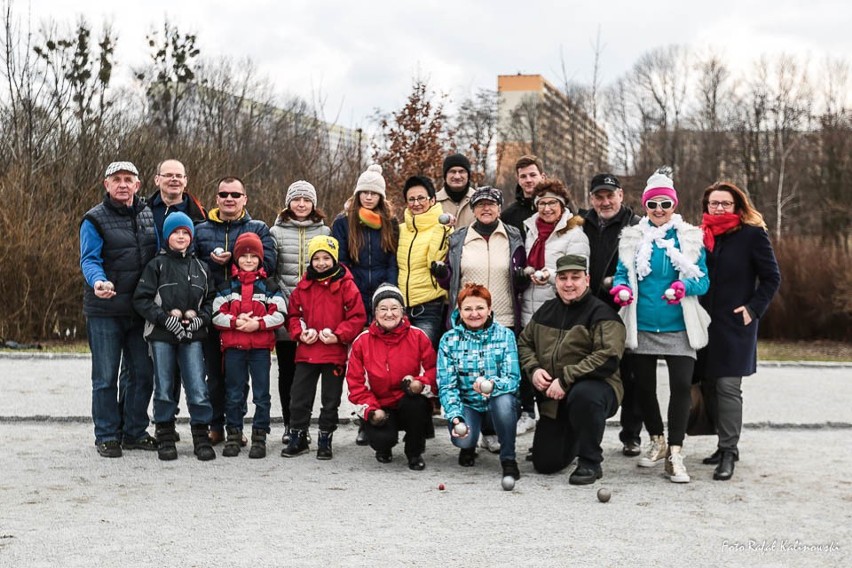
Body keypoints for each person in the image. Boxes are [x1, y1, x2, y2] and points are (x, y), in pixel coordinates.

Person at [611, 168, 710, 484]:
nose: (658, 211)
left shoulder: (690, 237)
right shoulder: (631, 237)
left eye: (665, 204)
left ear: (674, 206)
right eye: (652, 205)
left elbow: (703, 280)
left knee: (682, 387)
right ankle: (657, 439)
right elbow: (623, 272)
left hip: (678, 324)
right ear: (645, 206)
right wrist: (622, 289)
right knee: (643, 388)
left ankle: (676, 453)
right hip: (642, 325)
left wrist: (685, 289)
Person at [517, 254, 625, 485]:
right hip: (553, 399)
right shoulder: (546, 310)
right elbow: (524, 343)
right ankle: (576, 435)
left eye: (575, 277)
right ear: (555, 281)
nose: (569, 284)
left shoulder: (602, 313)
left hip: (596, 389)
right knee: (545, 464)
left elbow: (608, 356)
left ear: (586, 279)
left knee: (585, 395)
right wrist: (534, 369)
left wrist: (566, 379)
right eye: (563, 278)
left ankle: (590, 461)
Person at [698, 181, 781, 481]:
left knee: (728, 387)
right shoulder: (699, 235)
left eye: (726, 203)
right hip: (703, 323)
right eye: (714, 203)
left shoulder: (752, 235)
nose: (719, 207)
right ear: (706, 206)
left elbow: (772, 278)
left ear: (737, 207)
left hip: (736, 324)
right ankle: (723, 445)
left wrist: (752, 309)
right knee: (709, 385)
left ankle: (729, 451)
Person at [436, 185, 529, 451]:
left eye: (491, 204)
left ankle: (492, 430)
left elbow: (519, 276)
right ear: (473, 209)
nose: (485, 208)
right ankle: (470, 427)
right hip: (468, 314)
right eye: (480, 204)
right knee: (470, 372)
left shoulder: (514, 236)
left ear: (500, 208)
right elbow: (450, 277)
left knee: (496, 373)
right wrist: (442, 275)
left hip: (505, 315)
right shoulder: (459, 237)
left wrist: (522, 279)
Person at [79, 161, 158, 457]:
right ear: (106, 184)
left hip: (139, 311)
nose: (123, 184)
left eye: (128, 179)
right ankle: (107, 435)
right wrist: (98, 281)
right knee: (105, 377)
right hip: (105, 311)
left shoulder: (148, 214)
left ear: (137, 185)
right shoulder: (93, 219)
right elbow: (89, 259)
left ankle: (134, 431)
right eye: (116, 179)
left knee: (142, 373)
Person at [194, 176, 276, 444]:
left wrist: (239, 264)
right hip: (211, 309)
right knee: (215, 376)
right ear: (216, 198)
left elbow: (270, 262)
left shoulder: (259, 227)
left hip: (249, 311)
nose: (229, 198)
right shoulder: (200, 228)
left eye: (235, 194)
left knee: (242, 378)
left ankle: (237, 428)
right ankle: (217, 426)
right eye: (224, 194)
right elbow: (189, 265)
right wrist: (212, 261)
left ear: (245, 199)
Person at [132, 212, 216, 461]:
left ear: (191, 237)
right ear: (167, 236)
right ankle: (165, 434)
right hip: (161, 335)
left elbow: (212, 301)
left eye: (185, 233)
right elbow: (141, 299)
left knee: (197, 386)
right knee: (164, 386)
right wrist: (164, 318)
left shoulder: (201, 267)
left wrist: (201, 318)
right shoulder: (156, 265)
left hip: (192, 335)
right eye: (176, 233)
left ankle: (201, 435)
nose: (181, 237)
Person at [282, 236, 367, 460]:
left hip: (333, 352)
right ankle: (298, 436)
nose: (321, 263)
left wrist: (339, 335)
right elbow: (293, 315)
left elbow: (357, 317)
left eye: (326, 258)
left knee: (331, 399)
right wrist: (300, 332)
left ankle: (325, 437)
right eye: (316, 258)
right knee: (299, 397)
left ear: (334, 258)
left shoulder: (346, 285)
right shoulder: (303, 286)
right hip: (307, 351)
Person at [579, 173, 643, 457]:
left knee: (630, 374)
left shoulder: (637, 226)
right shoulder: (581, 225)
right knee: (586, 371)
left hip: (623, 309)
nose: (605, 202)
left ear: (621, 195)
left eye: (610, 195)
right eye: (599, 196)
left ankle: (631, 435)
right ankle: (583, 434)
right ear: (591, 198)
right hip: (587, 309)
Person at [346, 284, 437, 470]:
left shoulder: (419, 336)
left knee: (417, 404)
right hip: (380, 404)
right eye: (383, 309)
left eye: (394, 308)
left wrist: (420, 383)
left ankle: (414, 452)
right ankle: (383, 447)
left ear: (402, 311)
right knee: (382, 438)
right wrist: (371, 410)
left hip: (408, 399)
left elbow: (433, 370)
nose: (389, 314)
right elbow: (356, 384)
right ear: (375, 312)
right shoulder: (361, 342)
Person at [212, 232, 286, 459]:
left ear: (260, 259)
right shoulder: (227, 287)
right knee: (234, 393)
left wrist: (258, 323)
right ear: (236, 259)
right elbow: (216, 315)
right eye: (243, 256)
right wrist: (235, 322)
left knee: (261, 394)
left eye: (253, 257)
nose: (248, 261)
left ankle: (260, 435)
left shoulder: (270, 287)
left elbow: (281, 314)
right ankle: (233, 434)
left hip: (260, 349)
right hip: (234, 348)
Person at [437, 283, 521, 481]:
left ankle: (508, 458)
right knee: (463, 440)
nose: (474, 314)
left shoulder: (505, 335)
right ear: (460, 311)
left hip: (497, 403)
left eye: (480, 308)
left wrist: (492, 385)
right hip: (468, 405)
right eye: (468, 309)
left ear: (489, 309)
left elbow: (513, 379)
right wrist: (455, 416)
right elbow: (447, 385)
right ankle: (470, 444)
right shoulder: (448, 340)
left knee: (504, 401)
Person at [270, 180, 331, 445]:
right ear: (288, 203)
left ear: (313, 204)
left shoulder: (325, 231)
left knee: (308, 372)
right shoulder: (275, 231)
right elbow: (272, 270)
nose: (302, 204)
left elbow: (328, 268)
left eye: (307, 200)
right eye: (297, 199)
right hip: (286, 309)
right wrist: (287, 300)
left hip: (316, 311)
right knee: (287, 370)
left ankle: (304, 424)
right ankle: (289, 423)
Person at [331, 164, 399, 320]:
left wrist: (389, 289)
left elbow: (392, 262)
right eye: (365, 192)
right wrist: (349, 289)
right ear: (357, 194)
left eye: (374, 193)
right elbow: (341, 261)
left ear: (381, 196)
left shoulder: (390, 222)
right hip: (354, 287)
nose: (368, 197)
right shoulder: (343, 222)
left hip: (383, 286)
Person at [520, 179, 590, 326]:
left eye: (552, 203)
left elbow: (579, 277)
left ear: (562, 205)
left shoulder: (575, 235)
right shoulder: (531, 232)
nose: (547, 209)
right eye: (542, 203)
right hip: (529, 314)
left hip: (559, 313)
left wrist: (550, 276)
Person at [396, 175, 452, 349]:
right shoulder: (400, 230)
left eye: (421, 198)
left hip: (429, 306)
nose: (416, 203)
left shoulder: (444, 227)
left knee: (424, 355)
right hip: (401, 306)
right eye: (411, 199)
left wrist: (442, 228)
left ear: (432, 200)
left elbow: (433, 262)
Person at [147, 159, 207, 237]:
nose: (174, 179)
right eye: (168, 175)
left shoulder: (200, 216)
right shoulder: (142, 211)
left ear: (185, 181)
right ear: (157, 180)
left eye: (179, 176)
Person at [501, 154, 546, 239]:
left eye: (533, 175)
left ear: (542, 177)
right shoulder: (508, 216)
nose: (528, 180)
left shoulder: (557, 209)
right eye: (523, 176)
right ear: (518, 180)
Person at [435, 153, 476, 227]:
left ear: (468, 175)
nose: (457, 176)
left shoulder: (478, 201)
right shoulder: (433, 202)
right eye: (452, 171)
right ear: (445, 175)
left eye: (461, 171)